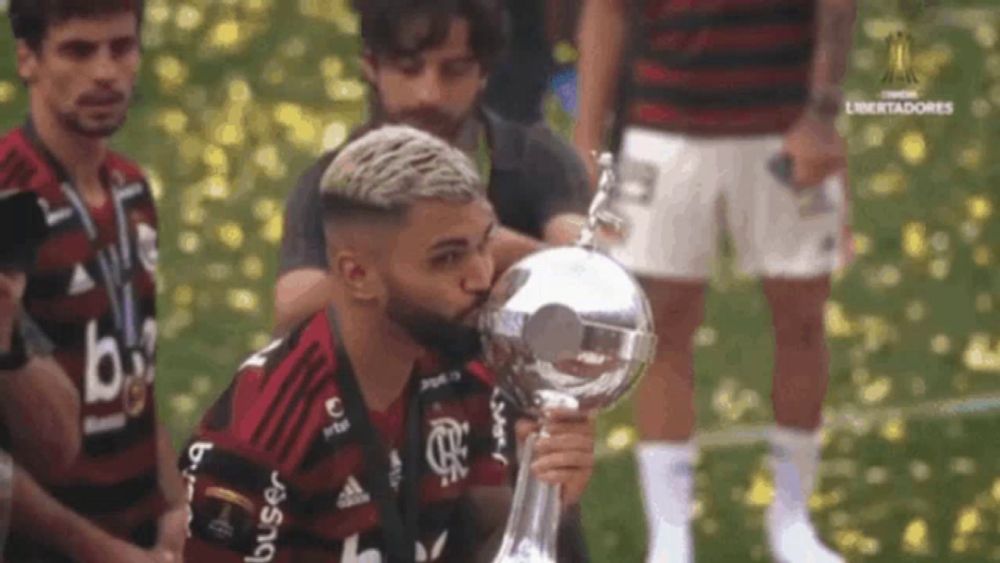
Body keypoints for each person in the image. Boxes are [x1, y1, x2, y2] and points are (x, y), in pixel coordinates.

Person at [182, 126, 596, 562]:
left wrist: (546, 497)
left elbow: (490, 530)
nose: (481, 277)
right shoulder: (262, 434)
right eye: (448, 257)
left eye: (484, 245)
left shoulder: (464, 373)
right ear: (358, 275)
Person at [573, 0, 856, 562]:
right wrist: (585, 137)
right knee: (662, 325)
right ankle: (670, 537)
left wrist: (822, 116)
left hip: (786, 128)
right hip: (660, 129)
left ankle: (793, 524)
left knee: (802, 319)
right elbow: (607, 9)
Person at [275, 0, 591, 335]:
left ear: (483, 72)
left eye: (453, 70)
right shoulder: (333, 181)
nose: (430, 94)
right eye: (409, 69)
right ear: (372, 67)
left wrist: (515, 255)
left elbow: (588, 275)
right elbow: (292, 308)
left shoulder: (535, 158)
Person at [0, 0, 186, 560]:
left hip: (141, 533)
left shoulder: (132, 188)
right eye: (78, 51)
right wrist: (104, 553)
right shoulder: (7, 199)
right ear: (27, 59)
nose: (105, 72)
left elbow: (136, 374)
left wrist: (177, 507)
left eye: (121, 48)